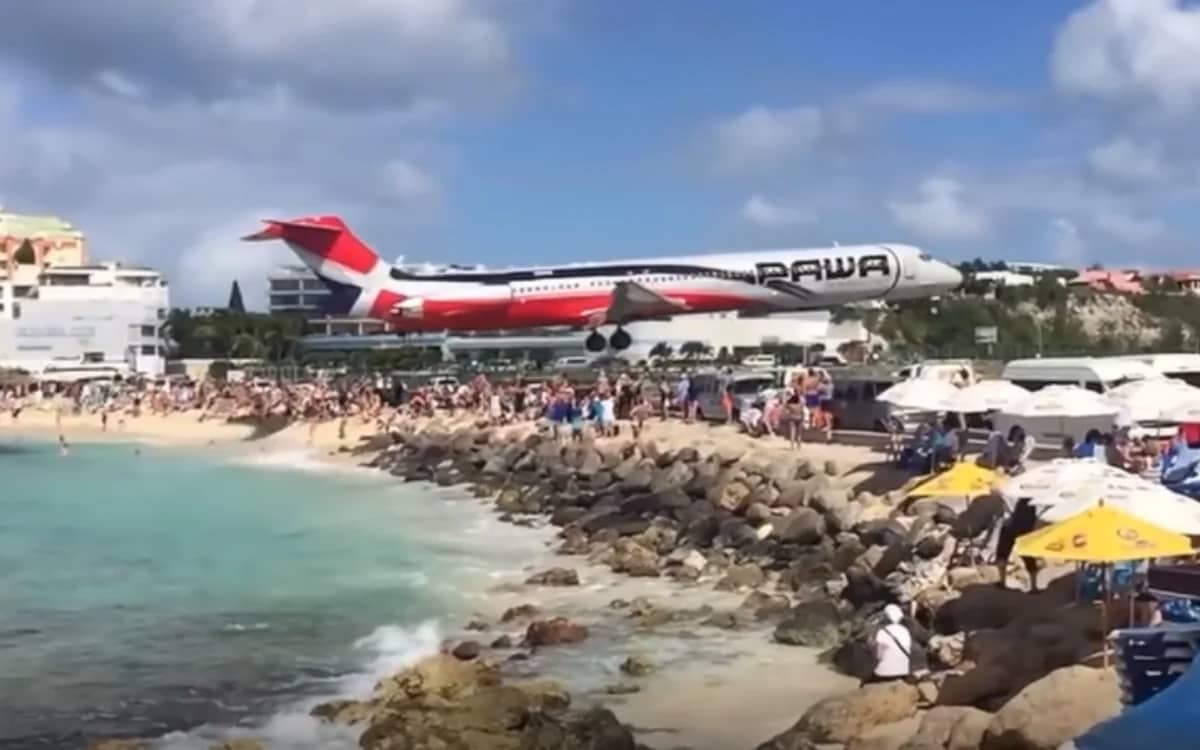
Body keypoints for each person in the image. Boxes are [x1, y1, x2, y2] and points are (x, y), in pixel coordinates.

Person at [995, 497, 1040, 591]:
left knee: (1002, 553)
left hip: (1011, 526)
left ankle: (1002, 581)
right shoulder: (1032, 500)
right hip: (1024, 527)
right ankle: (1034, 586)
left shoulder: (1013, 496)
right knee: (1028, 555)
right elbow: (1034, 520)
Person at [867, 604, 912, 684]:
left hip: (884, 673)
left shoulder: (882, 632)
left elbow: (879, 656)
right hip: (904, 671)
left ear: (886, 617)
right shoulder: (905, 630)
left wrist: (871, 645)